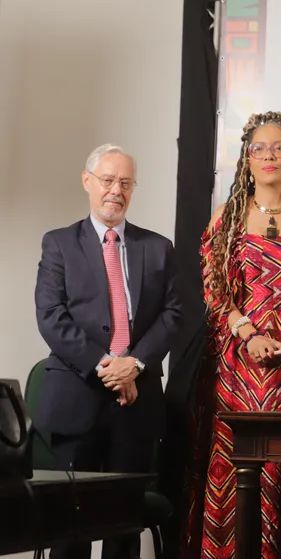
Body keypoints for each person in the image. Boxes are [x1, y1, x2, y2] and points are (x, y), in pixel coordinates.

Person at [181, 111, 281, 559]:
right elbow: (214, 293)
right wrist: (248, 333)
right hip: (235, 365)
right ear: (246, 161)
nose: (269, 155)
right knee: (233, 466)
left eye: (279, 148)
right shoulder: (226, 219)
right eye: (259, 149)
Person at [34, 144, 182, 559]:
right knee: (70, 527)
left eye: (125, 182)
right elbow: (50, 315)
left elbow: (173, 314)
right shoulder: (59, 244)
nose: (115, 190)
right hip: (75, 402)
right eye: (107, 180)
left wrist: (133, 364)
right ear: (87, 182)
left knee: (124, 528)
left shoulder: (158, 248)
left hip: (136, 406)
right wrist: (107, 365)